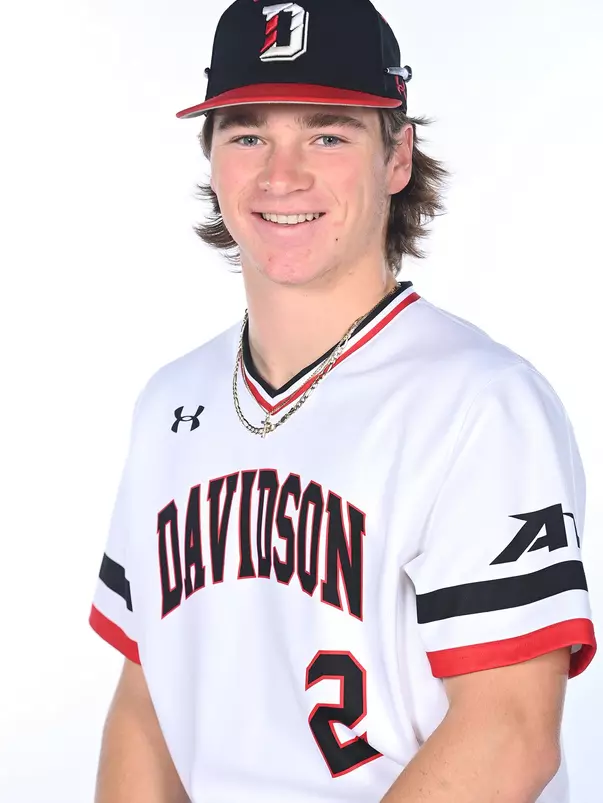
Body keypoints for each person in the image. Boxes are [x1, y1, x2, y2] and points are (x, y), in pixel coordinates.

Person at [89, 1, 597, 801]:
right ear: (211, 158)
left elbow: (510, 730)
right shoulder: (170, 404)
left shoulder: (481, 403)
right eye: (247, 135)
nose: (280, 175)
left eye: (327, 135)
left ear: (397, 158)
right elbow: (145, 702)